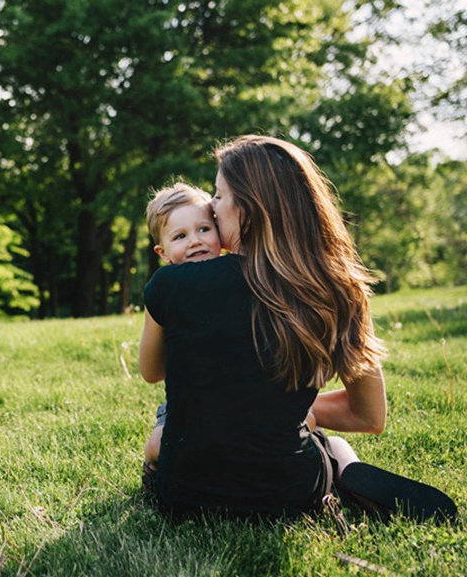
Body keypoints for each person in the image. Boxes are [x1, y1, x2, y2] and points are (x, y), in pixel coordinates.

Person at [139, 135, 457, 522]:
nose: (211, 206)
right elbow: (369, 417)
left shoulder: (171, 284)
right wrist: (276, 408)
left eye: (219, 196)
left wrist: (246, 406)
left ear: (249, 208)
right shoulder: (339, 288)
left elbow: (152, 371)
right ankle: (345, 467)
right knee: (328, 444)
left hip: (182, 493)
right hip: (290, 492)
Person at [141, 182, 222, 470]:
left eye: (204, 229)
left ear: (220, 233)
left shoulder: (240, 277)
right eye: (180, 236)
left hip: (238, 400)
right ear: (162, 252)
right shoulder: (164, 292)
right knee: (158, 445)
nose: (195, 241)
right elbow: (151, 372)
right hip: (189, 404)